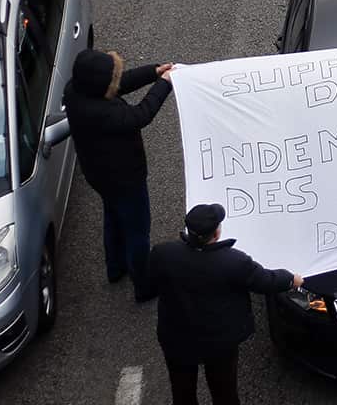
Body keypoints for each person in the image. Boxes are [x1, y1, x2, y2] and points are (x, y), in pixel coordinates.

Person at [144, 204, 304, 405]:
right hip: (219, 342)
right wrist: (291, 280)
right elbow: (265, 281)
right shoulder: (234, 261)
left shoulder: (163, 253)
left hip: (176, 338)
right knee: (224, 393)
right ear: (217, 233)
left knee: (182, 393)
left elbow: (151, 283)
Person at [63, 49, 174, 302]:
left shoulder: (75, 91)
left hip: (99, 175)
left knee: (113, 216)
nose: (117, 78)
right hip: (125, 179)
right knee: (137, 232)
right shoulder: (105, 113)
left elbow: (116, 85)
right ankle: (143, 286)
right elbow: (141, 115)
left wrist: (153, 72)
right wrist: (164, 84)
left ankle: (115, 267)